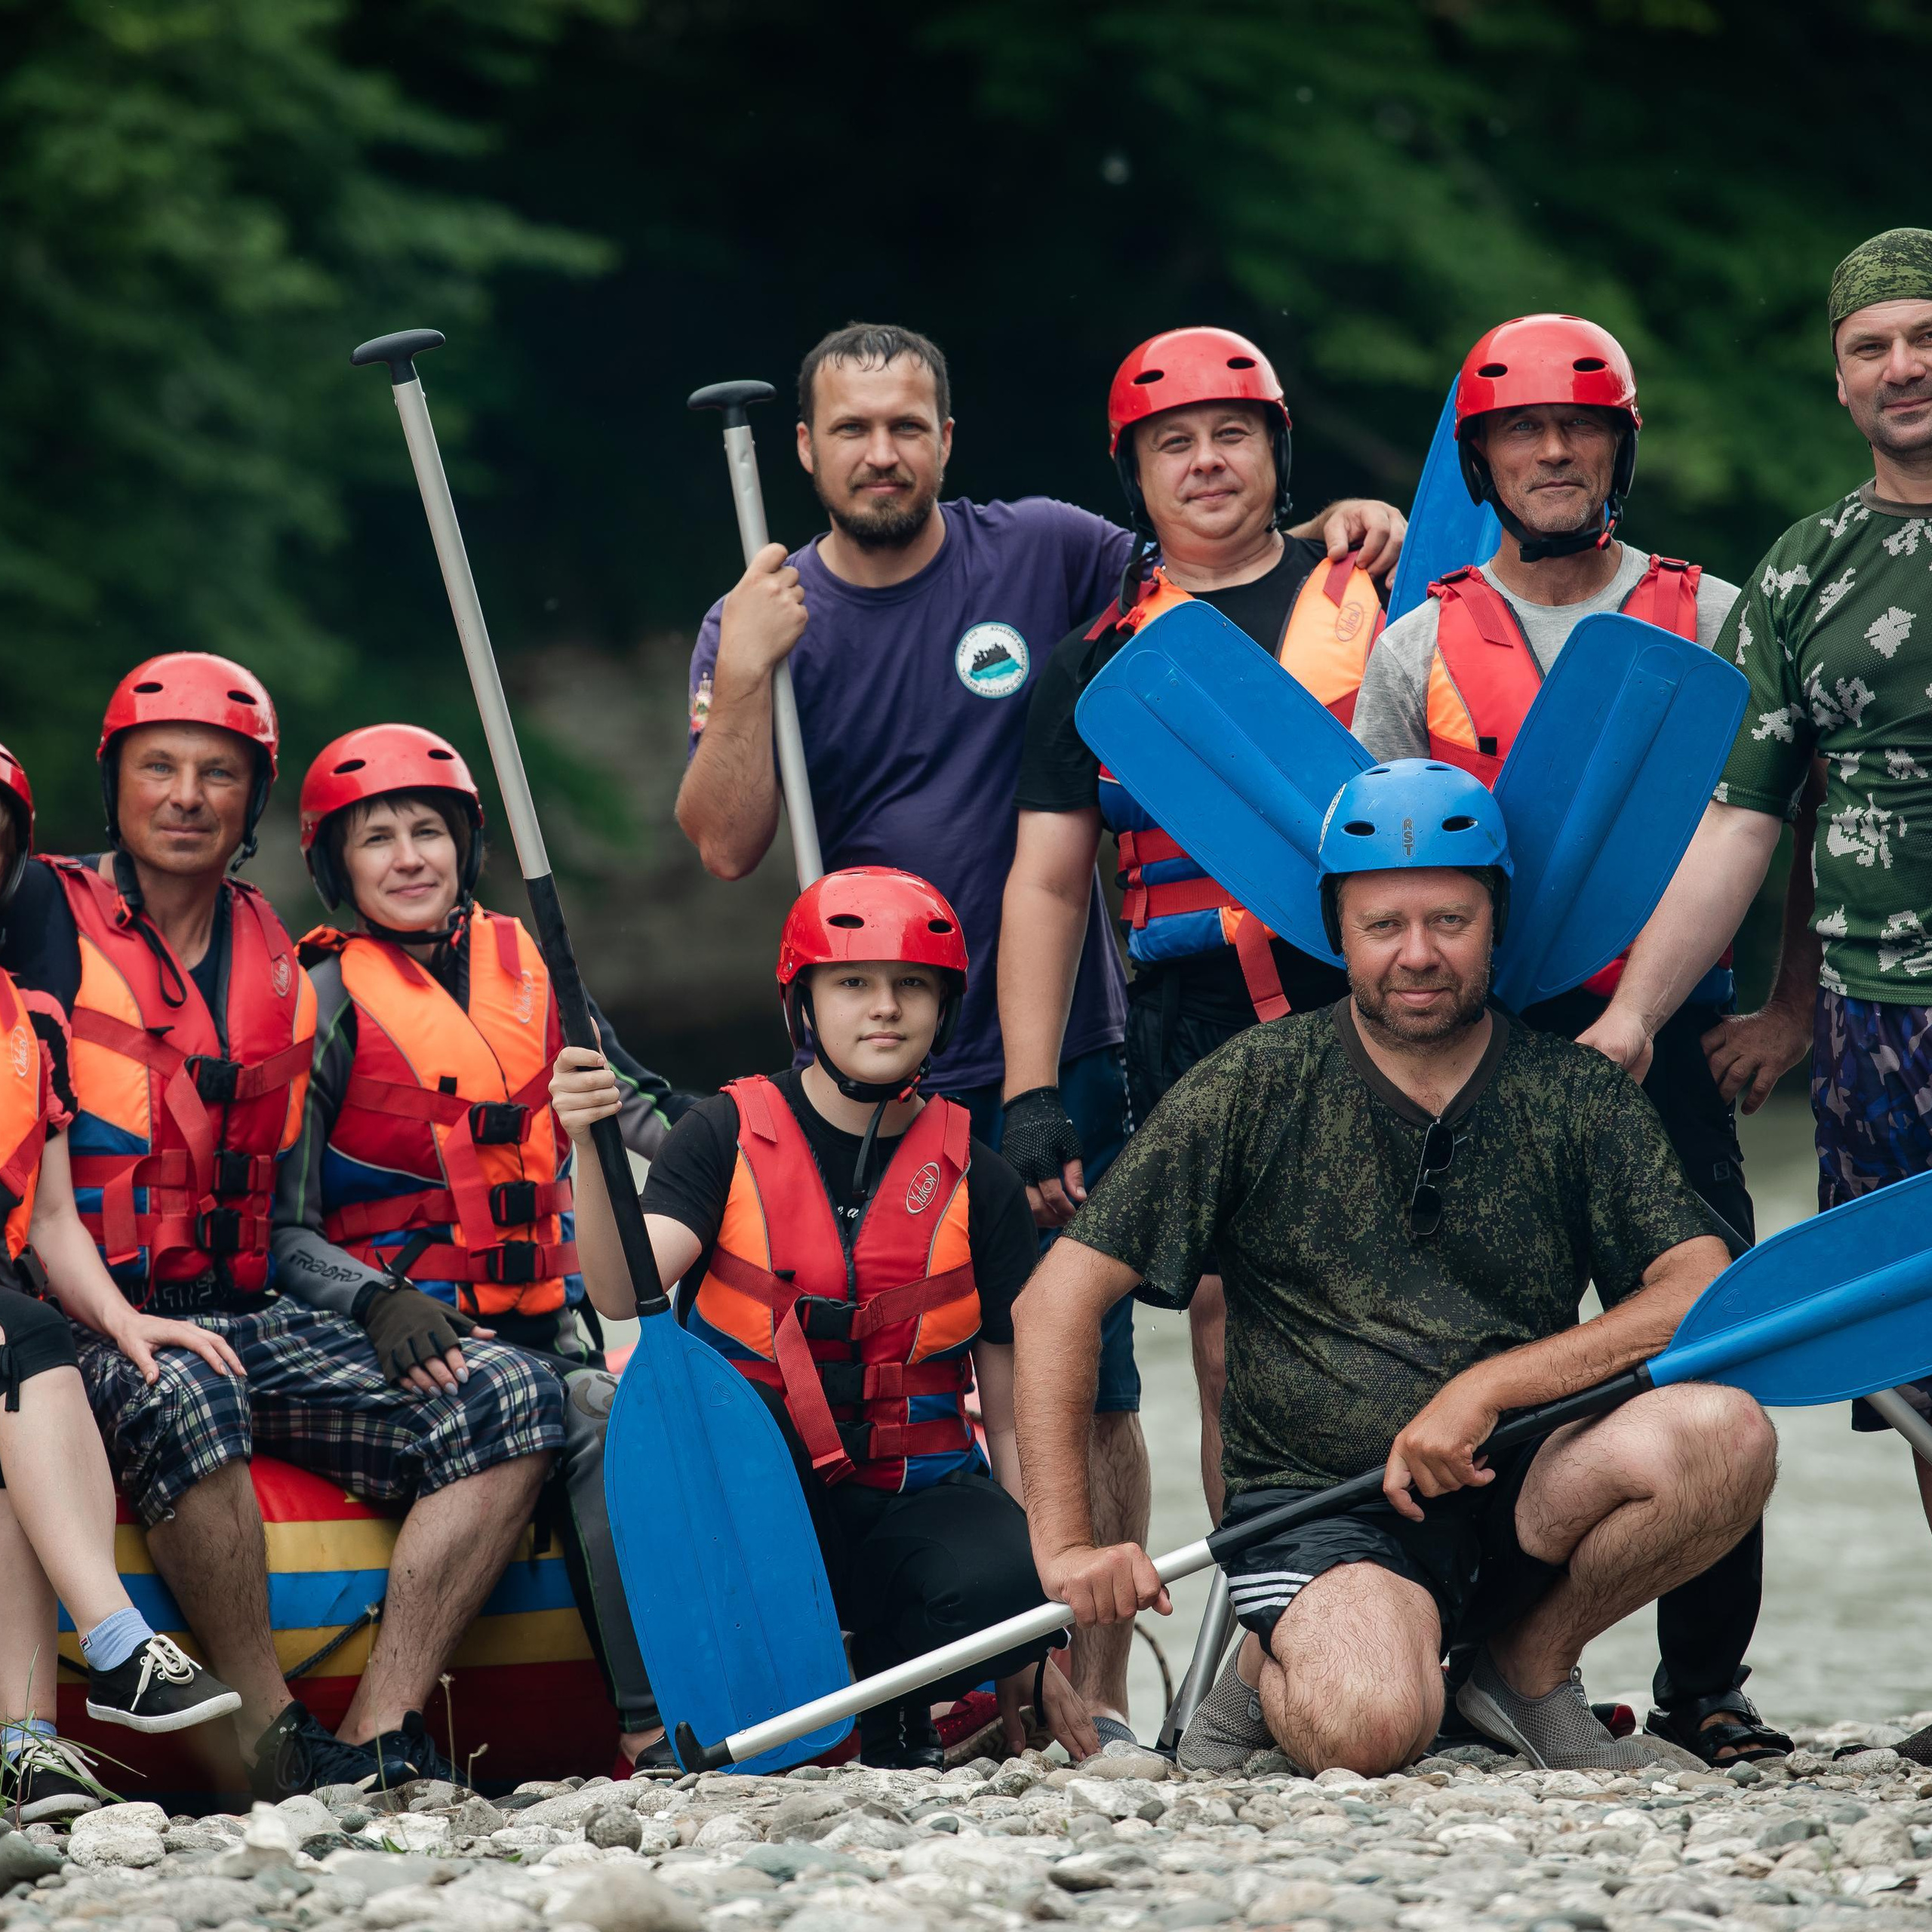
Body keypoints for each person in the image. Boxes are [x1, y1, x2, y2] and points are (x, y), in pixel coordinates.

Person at [677, 318, 1405, 1737]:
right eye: (851, 430)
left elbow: (1215, 551)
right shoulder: (752, 614)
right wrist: (753, 670)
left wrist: (1345, 530)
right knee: (880, 1360)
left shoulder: (1050, 552)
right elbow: (722, 841)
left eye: (907, 425)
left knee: (1095, 1383)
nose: (880, 452)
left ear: (947, 440)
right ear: (807, 451)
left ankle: (1103, 1697)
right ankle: (956, 1668)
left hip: (1060, 1047)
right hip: (868, 1048)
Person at [1011, 759, 1777, 1777]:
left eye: (1449, 921)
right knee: (1373, 1727)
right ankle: (1271, 1657)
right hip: (1324, 1512)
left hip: (1521, 1477)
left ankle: (1524, 1669)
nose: (1417, 954)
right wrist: (1066, 1547)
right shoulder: (1251, 1083)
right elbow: (1056, 1301)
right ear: (1338, 931)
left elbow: (1698, 1287)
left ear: (1496, 921)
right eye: (1384, 926)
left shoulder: (1575, 1093)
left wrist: (1486, 1389)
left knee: (1729, 1434)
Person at [0, 656, 567, 1797]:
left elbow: (301, 1205)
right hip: (87, 1321)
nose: (186, 796)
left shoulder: (280, 953)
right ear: (112, 785)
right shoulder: (36, 911)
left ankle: (378, 1731)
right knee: (185, 1387)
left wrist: (378, 1299)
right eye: (158, 768)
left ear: (255, 799)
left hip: (248, 1309)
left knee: (511, 1393)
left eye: (219, 774)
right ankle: (269, 1739)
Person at [1349, 313, 1793, 1765]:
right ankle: (1484, 1654)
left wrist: (1790, 1005)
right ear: (1481, 462)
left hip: (1668, 1047)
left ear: (1619, 448)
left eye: (1580, 428)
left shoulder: (1715, 614)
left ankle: (1704, 1688)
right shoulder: (1419, 644)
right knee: (1486, 1353)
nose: (1553, 453)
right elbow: (1378, 882)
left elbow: (1789, 817)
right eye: (1521, 433)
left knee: (1718, 1343)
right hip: (1486, 1054)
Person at [1579, 229, 1932, 1767]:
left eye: (1924, 336)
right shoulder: (1801, 568)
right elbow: (1741, 822)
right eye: (1871, 346)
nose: (1902, 368)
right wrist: (1634, 1015)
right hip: (1872, 1023)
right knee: (1915, 1358)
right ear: (1839, 378)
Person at [553, 866, 1100, 1766]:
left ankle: (896, 1707)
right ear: (803, 1003)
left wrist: (1032, 1637)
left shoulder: (986, 1182)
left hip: (909, 1499)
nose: (883, 1007)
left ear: (942, 1009)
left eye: (910, 984)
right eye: (852, 982)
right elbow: (620, 1291)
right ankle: (744, 1703)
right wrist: (586, 1143)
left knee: (1005, 1581)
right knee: (733, 1435)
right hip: (758, 1497)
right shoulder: (721, 1134)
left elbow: (1010, 1422)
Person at [1004, 325, 1399, 1524]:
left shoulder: (1382, 594)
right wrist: (1032, 1094)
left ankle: (1433, 1590)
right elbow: (1049, 888)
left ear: (1278, 451)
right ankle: (1275, 1594)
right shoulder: (1093, 665)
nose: (1208, 461)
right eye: (1174, 443)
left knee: (1408, 1307)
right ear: (1137, 476)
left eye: (1233, 434)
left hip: (1379, 995)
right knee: (1229, 1334)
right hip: (1199, 1017)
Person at [273, 722, 680, 1770]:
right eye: (377, 839)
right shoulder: (326, 1002)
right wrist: (376, 1302)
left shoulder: (531, 968)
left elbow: (640, 1108)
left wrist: (760, 1154)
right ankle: (649, 1729)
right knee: (598, 1414)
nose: (409, 857)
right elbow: (281, 1229)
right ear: (336, 866)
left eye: (429, 831)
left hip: (549, 1326)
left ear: (466, 847)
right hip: (411, 1344)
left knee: (637, 1397)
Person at [0, 745, 241, 1822]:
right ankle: (116, 1641)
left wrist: (127, 1318)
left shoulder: (26, 1024)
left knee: (22, 1368)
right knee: (22, 1339)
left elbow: (52, 1222)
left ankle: (24, 1746)